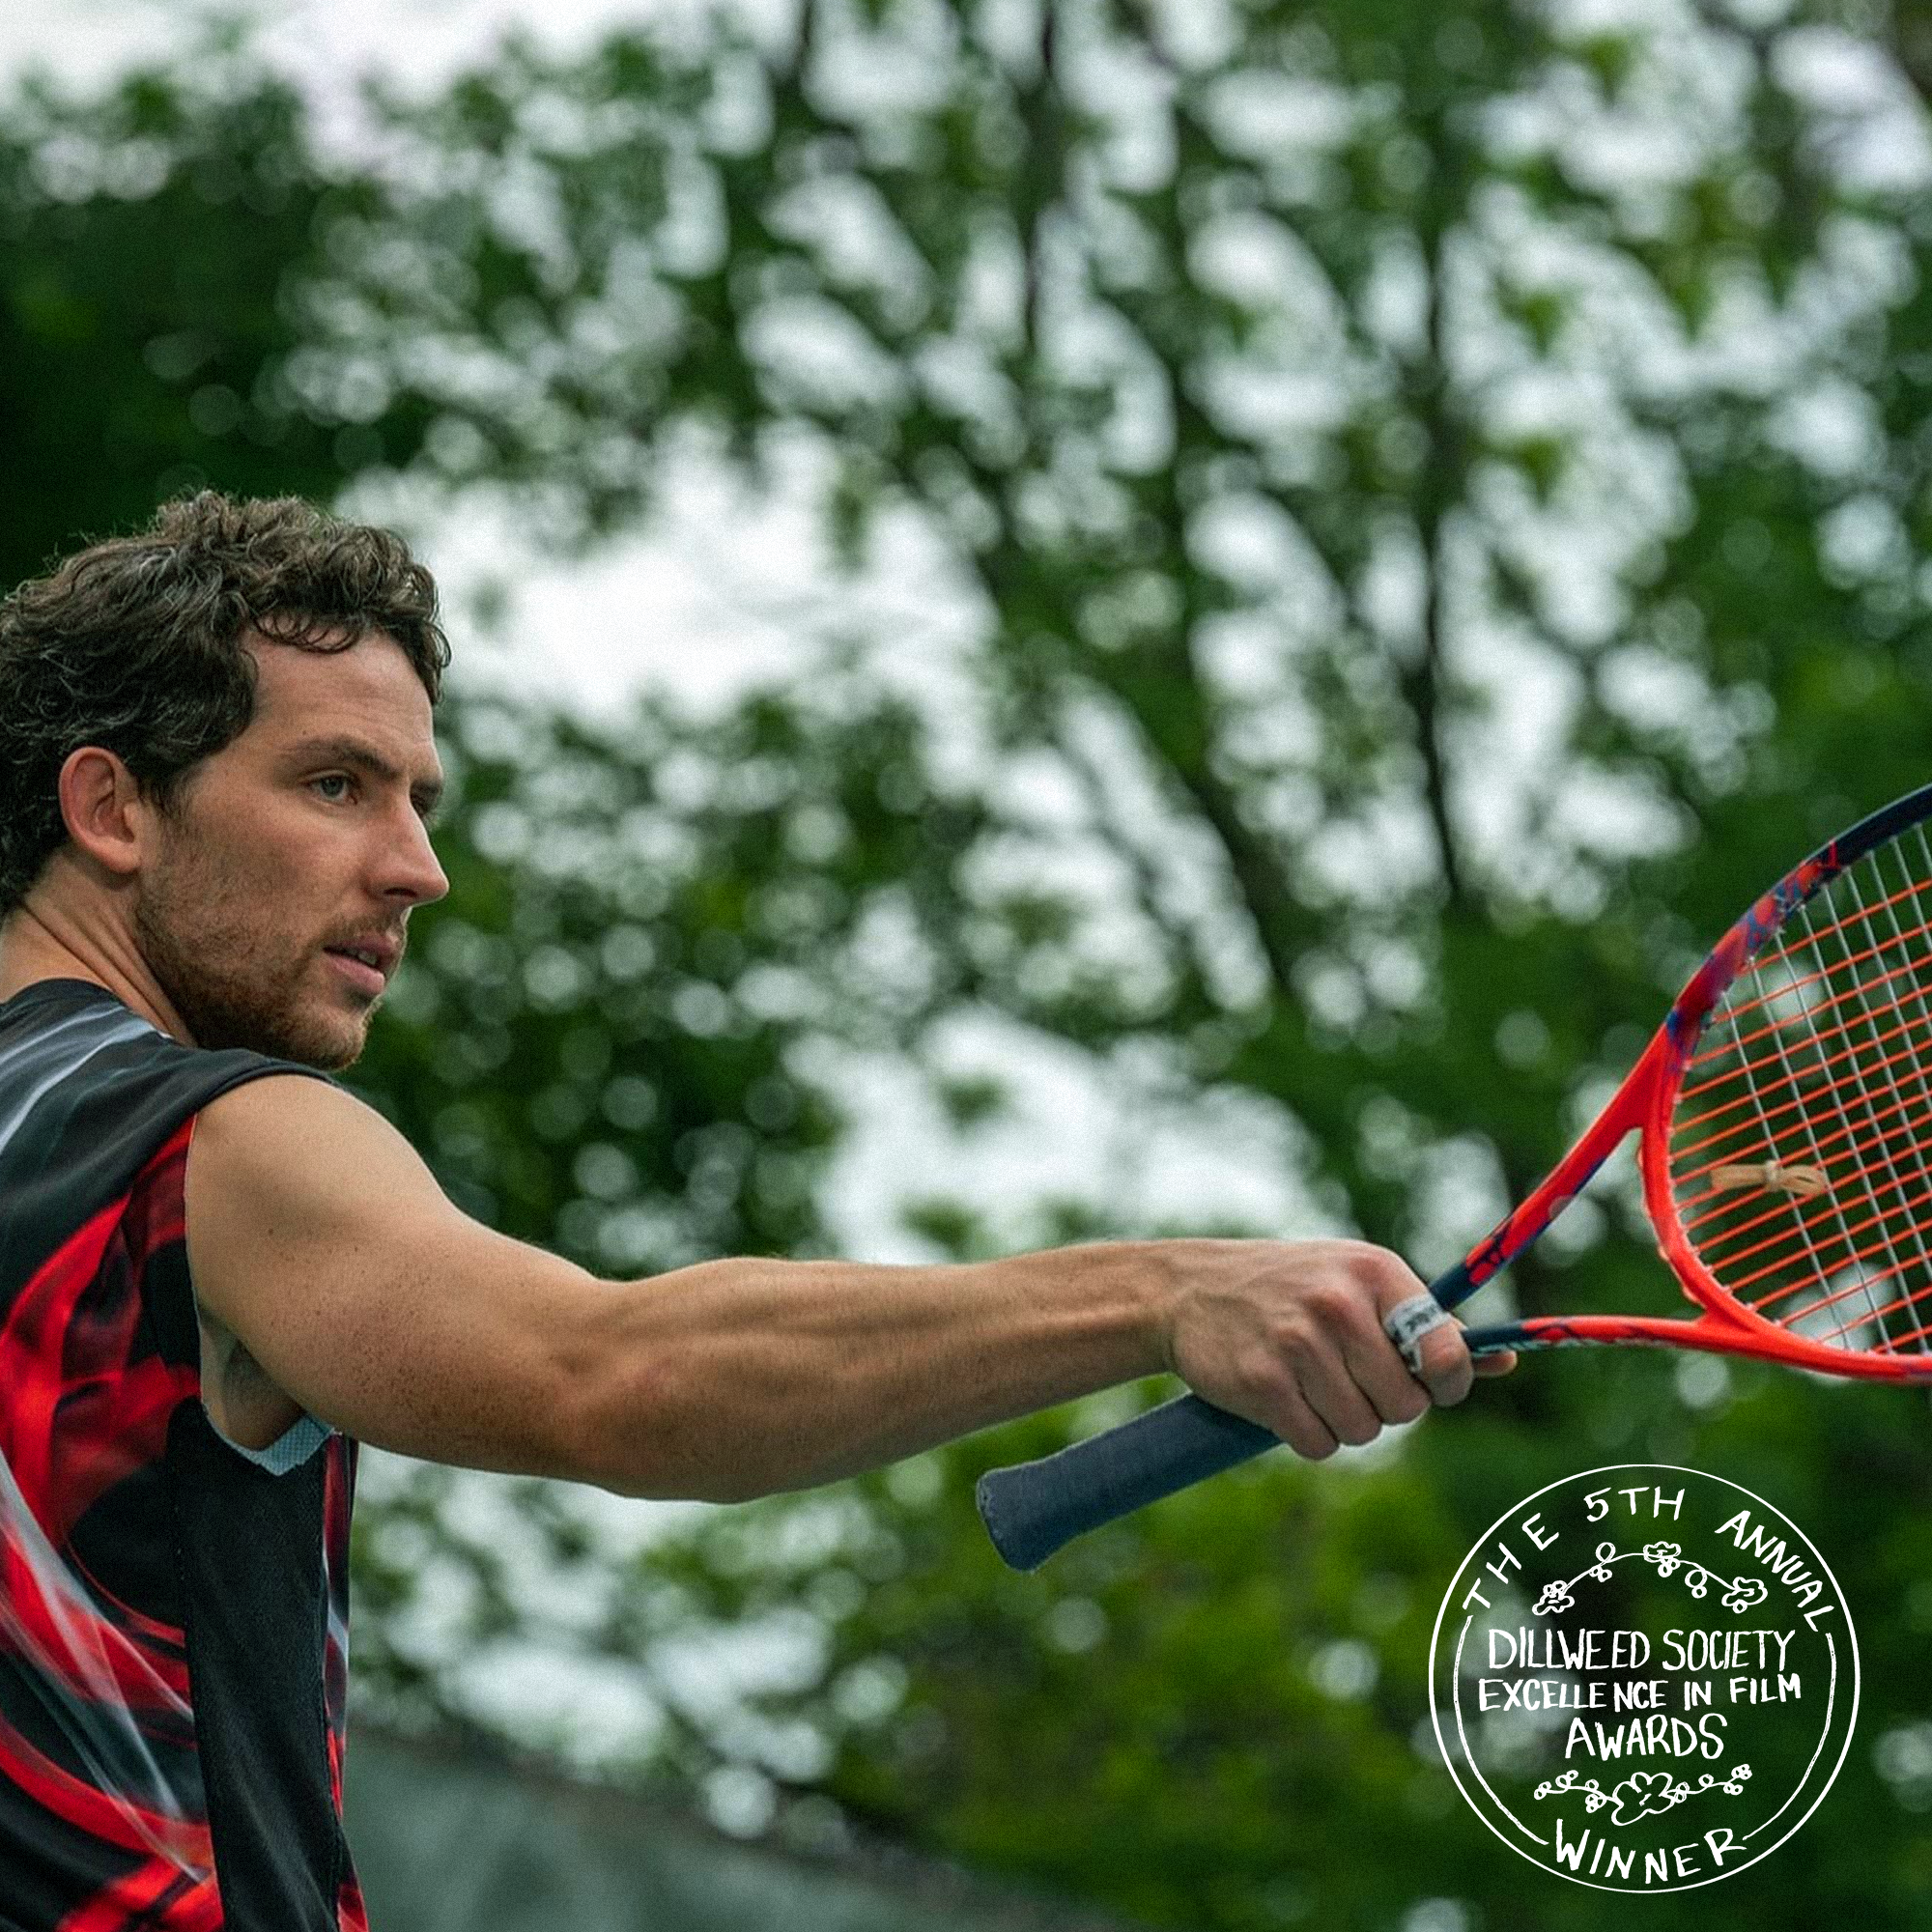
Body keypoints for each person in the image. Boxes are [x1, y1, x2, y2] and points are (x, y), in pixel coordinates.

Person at [0, 493, 1511, 1930]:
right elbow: (611, 1377)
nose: (419, 869)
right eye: (335, 785)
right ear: (112, 807)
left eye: (418, 801)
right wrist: (1167, 1295)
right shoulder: (210, 1146)